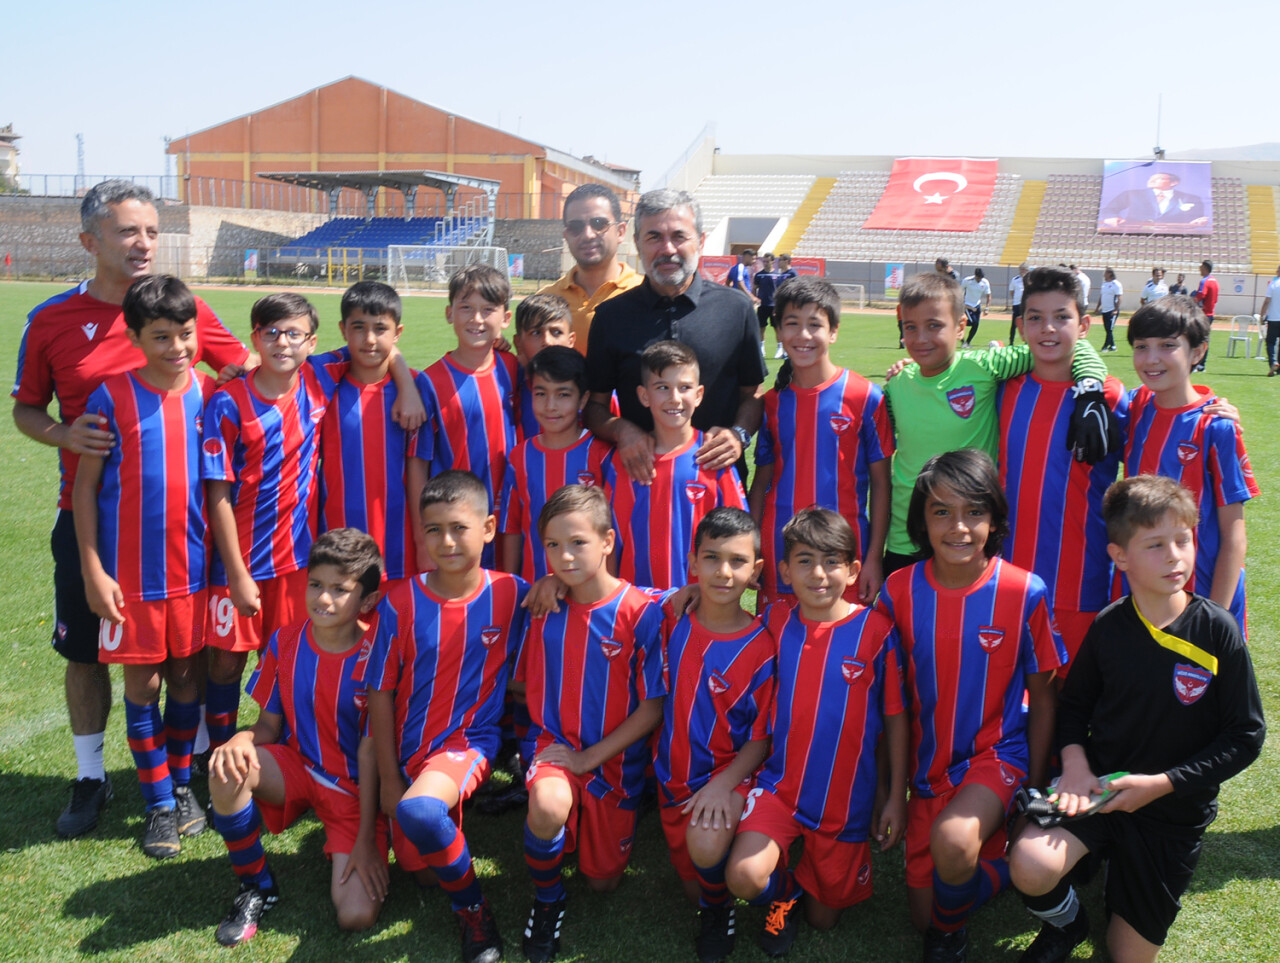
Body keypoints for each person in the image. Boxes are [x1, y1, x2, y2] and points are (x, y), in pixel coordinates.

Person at [11, 180, 248, 838]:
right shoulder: (54, 320)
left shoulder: (186, 308)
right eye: (127, 232)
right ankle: (91, 777)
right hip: (95, 527)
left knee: (185, 660)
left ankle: (180, 772)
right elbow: (27, 408)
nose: (143, 243)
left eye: (150, 230)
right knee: (85, 654)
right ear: (91, 241)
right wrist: (61, 433)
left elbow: (244, 370)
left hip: (185, 535)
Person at [1008, 475, 1264, 963]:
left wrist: (1164, 783)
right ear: (1119, 555)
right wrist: (1077, 766)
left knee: (1127, 956)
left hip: (1171, 814)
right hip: (1100, 791)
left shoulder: (1217, 631)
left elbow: (1246, 735)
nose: (1175, 556)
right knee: (1030, 863)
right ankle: (1070, 921)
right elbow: (1074, 706)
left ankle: (1111, 877)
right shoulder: (1109, 626)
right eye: (1155, 544)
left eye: (1183, 540)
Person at [877, 449, 1064, 963]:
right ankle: (1009, 864)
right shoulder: (898, 591)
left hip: (997, 755)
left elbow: (1045, 696)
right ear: (921, 520)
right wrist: (890, 788)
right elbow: (886, 700)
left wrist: (1033, 787)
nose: (958, 527)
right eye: (941, 511)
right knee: (926, 905)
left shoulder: (1023, 590)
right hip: (928, 768)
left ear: (995, 519)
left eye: (974, 512)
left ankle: (948, 939)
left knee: (954, 845)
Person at [71, 275, 214, 858]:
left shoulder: (210, 393)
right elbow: (84, 491)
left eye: (185, 334)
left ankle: (181, 787)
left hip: (196, 574)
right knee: (143, 684)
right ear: (134, 337)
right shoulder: (110, 397)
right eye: (161, 337)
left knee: (185, 679)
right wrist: (93, 570)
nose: (177, 347)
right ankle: (156, 803)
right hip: (131, 580)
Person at [726, 508, 906, 958]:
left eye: (831, 561)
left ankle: (810, 878)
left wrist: (893, 796)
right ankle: (782, 892)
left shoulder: (877, 633)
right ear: (785, 571)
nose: (819, 573)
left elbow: (897, 718)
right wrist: (688, 592)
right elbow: (721, 617)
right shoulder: (775, 620)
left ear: (853, 569)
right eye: (804, 561)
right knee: (745, 876)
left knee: (824, 920)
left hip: (843, 801)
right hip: (780, 788)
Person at [364, 471, 529, 963]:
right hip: (409, 749)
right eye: (433, 529)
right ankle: (441, 815)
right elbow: (379, 691)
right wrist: (390, 778)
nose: (447, 540)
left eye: (459, 526)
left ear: (490, 528)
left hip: (465, 742)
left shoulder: (513, 594)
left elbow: (593, 594)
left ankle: (475, 913)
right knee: (420, 867)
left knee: (418, 814)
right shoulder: (400, 602)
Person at [207, 529, 392, 947]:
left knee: (356, 915)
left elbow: (374, 755)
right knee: (225, 770)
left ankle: (374, 838)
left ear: (367, 600)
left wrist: (365, 840)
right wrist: (241, 738)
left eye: (339, 590)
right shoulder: (285, 641)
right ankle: (256, 885)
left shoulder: (378, 653)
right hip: (298, 768)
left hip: (353, 793)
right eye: (315, 585)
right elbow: (269, 727)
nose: (322, 599)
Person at [514, 484, 666, 962]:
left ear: (608, 541)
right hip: (555, 746)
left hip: (614, 763)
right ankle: (547, 898)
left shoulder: (641, 613)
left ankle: (588, 821)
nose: (564, 556)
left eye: (578, 542)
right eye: (553, 546)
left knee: (603, 882)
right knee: (547, 803)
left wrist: (587, 759)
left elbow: (653, 707)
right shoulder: (543, 606)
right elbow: (519, 682)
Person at [882, 273, 1113, 575]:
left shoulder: (984, 366)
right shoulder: (896, 386)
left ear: (961, 325)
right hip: (905, 539)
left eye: (934, 326)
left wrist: (1090, 389)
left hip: (970, 535)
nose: (921, 338)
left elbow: (1066, 345)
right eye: (910, 328)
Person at [653, 507, 774, 962]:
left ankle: (734, 908)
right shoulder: (672, 614)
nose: (723, 572)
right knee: (696, 881)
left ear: (756, 571)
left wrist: (723, 785)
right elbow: (610, 593)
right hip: (673, 780)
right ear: (692, 563)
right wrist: (553, 581)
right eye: (711, 558)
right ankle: (712, 893)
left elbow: (761, 739)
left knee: (706, 854)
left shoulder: (762, 650)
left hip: (728, 776)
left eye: (738, 561)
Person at [584, 189, 765, 488]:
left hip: (718, 486)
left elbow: (753, 396)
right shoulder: (610, 317)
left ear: (701, 241)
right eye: (654, 237)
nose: (667, 249)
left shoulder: (736, 308)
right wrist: (622, 431)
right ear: (638, 243)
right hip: (640, 486)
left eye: (679, 236)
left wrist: (739, 435)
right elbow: (594, 407)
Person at [1001, 267, 1128, 672]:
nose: (1048, 328)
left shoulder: (1110, 397)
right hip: (1004, 580)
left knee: (1070, 709)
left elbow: (1167, 418)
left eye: (1062, 316)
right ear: (1021, 327)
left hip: (1079, 583)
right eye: (1035, 318)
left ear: (1085, 325)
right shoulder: (1002, 390)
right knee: (1008, 709)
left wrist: (1213, 406)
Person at [748, 277, 893, 607]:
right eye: (792, 324)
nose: (802, 335)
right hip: (779, 553)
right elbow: (762, 484)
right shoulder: (772, 403)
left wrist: (873, 558)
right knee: (783, 649)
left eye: (814, 324)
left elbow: (882, 485)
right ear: (778, 331)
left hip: (845, 555)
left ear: (833, 331)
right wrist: (752, 548)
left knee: (843, 651)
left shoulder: (866, 397)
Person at [1124, 296, 1257, 632]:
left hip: (1202, 595)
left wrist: (1216, 617)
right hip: (1141, 590)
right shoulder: (1137, 405)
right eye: (1142, 346)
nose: (1151, 359)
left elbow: (1234, 535)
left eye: (1168, 345)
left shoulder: (1216, 426)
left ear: (1197, 352)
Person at [604, 340, 748, 589]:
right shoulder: (625, 461)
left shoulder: (714, 456)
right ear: (644, 396)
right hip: (638, 606)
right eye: (663, 387)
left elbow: (740, 537)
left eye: (684, 387)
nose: (674, 398)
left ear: (699, 395)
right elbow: (608, 539)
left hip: (702, 605)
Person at [319, 281, 431, 587]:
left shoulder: (418, 389)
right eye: (358, 327)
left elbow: (417, 469)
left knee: (392, 631)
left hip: (399, 544)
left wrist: (423, 544)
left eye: (380, 328)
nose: (369, 339)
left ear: (398, 333)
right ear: (343, 330)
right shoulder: (324, 384)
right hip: (335, 541)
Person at [420, 264, 520, 569]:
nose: (476, 319)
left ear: (505, 318)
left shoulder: (515, 368)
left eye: (487, 309)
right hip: (455, 523)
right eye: (466, 308)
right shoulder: (429, 382)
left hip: (510, 520)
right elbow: (418, 464)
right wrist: (421, 537)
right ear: (450, 313)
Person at [500, 346, 612, 582]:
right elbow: (512, 528)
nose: (550, 405)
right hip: (537, 589)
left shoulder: (603, 455)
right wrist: (511, 583)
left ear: (583, 399)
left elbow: (613, 529)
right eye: (541, 394)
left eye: (563, 395)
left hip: (589, 591)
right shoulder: (519, 457)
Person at [539, 183, 641, 352]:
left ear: (621, 231)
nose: (588, 234)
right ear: (566, 235)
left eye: (599, 223)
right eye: (576, 227)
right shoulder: (545, 300)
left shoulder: (646, 295)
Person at [512, 293, 577, 438]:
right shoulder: (509, 384)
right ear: (518, 343)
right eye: (536, 333)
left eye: (556, 332)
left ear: (571, 340)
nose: (547, 341)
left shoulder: (590, 389)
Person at [1100, 171, 1206, 228]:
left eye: (1159, 178)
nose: (1152, 180)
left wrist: (1198, 221)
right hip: (1136, 234)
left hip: (1171, 236)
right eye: (1151, 178)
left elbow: (1197, 218)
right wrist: (1111, 218)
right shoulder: (1132, 194)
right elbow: (1109, 210)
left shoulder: (1191, 198)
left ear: (1174, 183)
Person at [752, 253, 783, 357]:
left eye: (767, 261)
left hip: (774, 306)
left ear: (773, 262)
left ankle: (780, 348)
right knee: (761, 327)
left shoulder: (778, 275)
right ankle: (761, 348)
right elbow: (754, 288)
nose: (765, 263)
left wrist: (779, 303)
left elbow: (780, 290)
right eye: (764, 261)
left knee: (777, 327)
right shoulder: (759, 275)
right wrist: (755, 299)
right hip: (763, 305)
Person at [1191, 260, 1218, 372]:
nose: (1199, 268)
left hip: (1203, 314)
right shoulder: (1215, 281)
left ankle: (1198, 364)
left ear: (1205, 268)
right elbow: (1215, 299)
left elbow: (1200, 295)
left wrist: (1191, 302)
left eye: (1201, 267)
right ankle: (1201, 365)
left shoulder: (1204, 281)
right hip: (1210, 314)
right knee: (1204, 339)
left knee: (1199, 339)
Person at [960, 268, 991, 346]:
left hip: (977, 305)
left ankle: (967, 343)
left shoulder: (985, 282)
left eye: (981, 278)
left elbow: (988, 295)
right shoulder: (967, 280)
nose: (979, 279)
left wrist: (987, 308)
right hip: (967, 305)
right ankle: (958, 326)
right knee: (973, 322)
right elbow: (960, 291)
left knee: (976, 325)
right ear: (975, 276)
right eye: (978, 278)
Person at [1258, 264, 1280, 375]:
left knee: (1270, 342)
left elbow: (1267, 301)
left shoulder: (1273, 285)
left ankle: (1273, 362)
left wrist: (1262, 315)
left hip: (1274, 318)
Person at [1095, 267, 1123, 351]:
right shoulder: (1104, 284)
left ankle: (1105, 347)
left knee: (1110, 329)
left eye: (1105, 273)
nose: (1104, 274)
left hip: (1112, 310)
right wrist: (1098, 307)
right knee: (1107, 329)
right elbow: (1101, 296)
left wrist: (1116, 309)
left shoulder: (1116, 284)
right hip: (1105, 310)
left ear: (1110, 274)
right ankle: (1113, 346)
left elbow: (1119, 297)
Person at [1008, 262, 1029, 344]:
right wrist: (1016, 299)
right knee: (1014, 324)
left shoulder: (1030, 280)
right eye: (1021, 269)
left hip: (1026, 305)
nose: (1022, 271)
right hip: (1017, 304)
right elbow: (1012, 291)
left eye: (1024, 269)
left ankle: (1027, 341)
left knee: (1026, 323)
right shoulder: (1015, 279)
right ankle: (1011, 342)